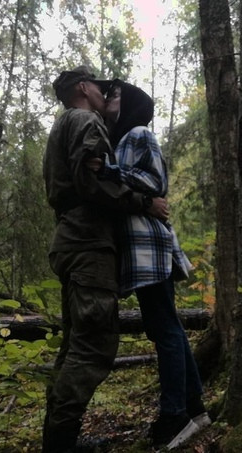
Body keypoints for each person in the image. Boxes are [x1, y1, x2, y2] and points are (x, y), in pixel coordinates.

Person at [42, 66, 169, 453]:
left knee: (74, 345)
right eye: (101, 87)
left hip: (71, 240)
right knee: (93, 346)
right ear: (84, 87)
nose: (105, 93)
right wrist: (145, 202)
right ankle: (60, 445)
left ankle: (58, 439)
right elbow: (93, 182)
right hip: (88, 243)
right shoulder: (85, 121)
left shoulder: (64, 124)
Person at [90, 80, 210, 450]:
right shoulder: (120, 140)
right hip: (142, 248)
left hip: (149, 245)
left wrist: (107, 170)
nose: (109, 98)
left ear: (132, 104)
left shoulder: (139, 133)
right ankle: (195, 408)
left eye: (116, 95)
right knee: (167, 326)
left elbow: (154, 181)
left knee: (164, 329)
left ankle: (174, 416)